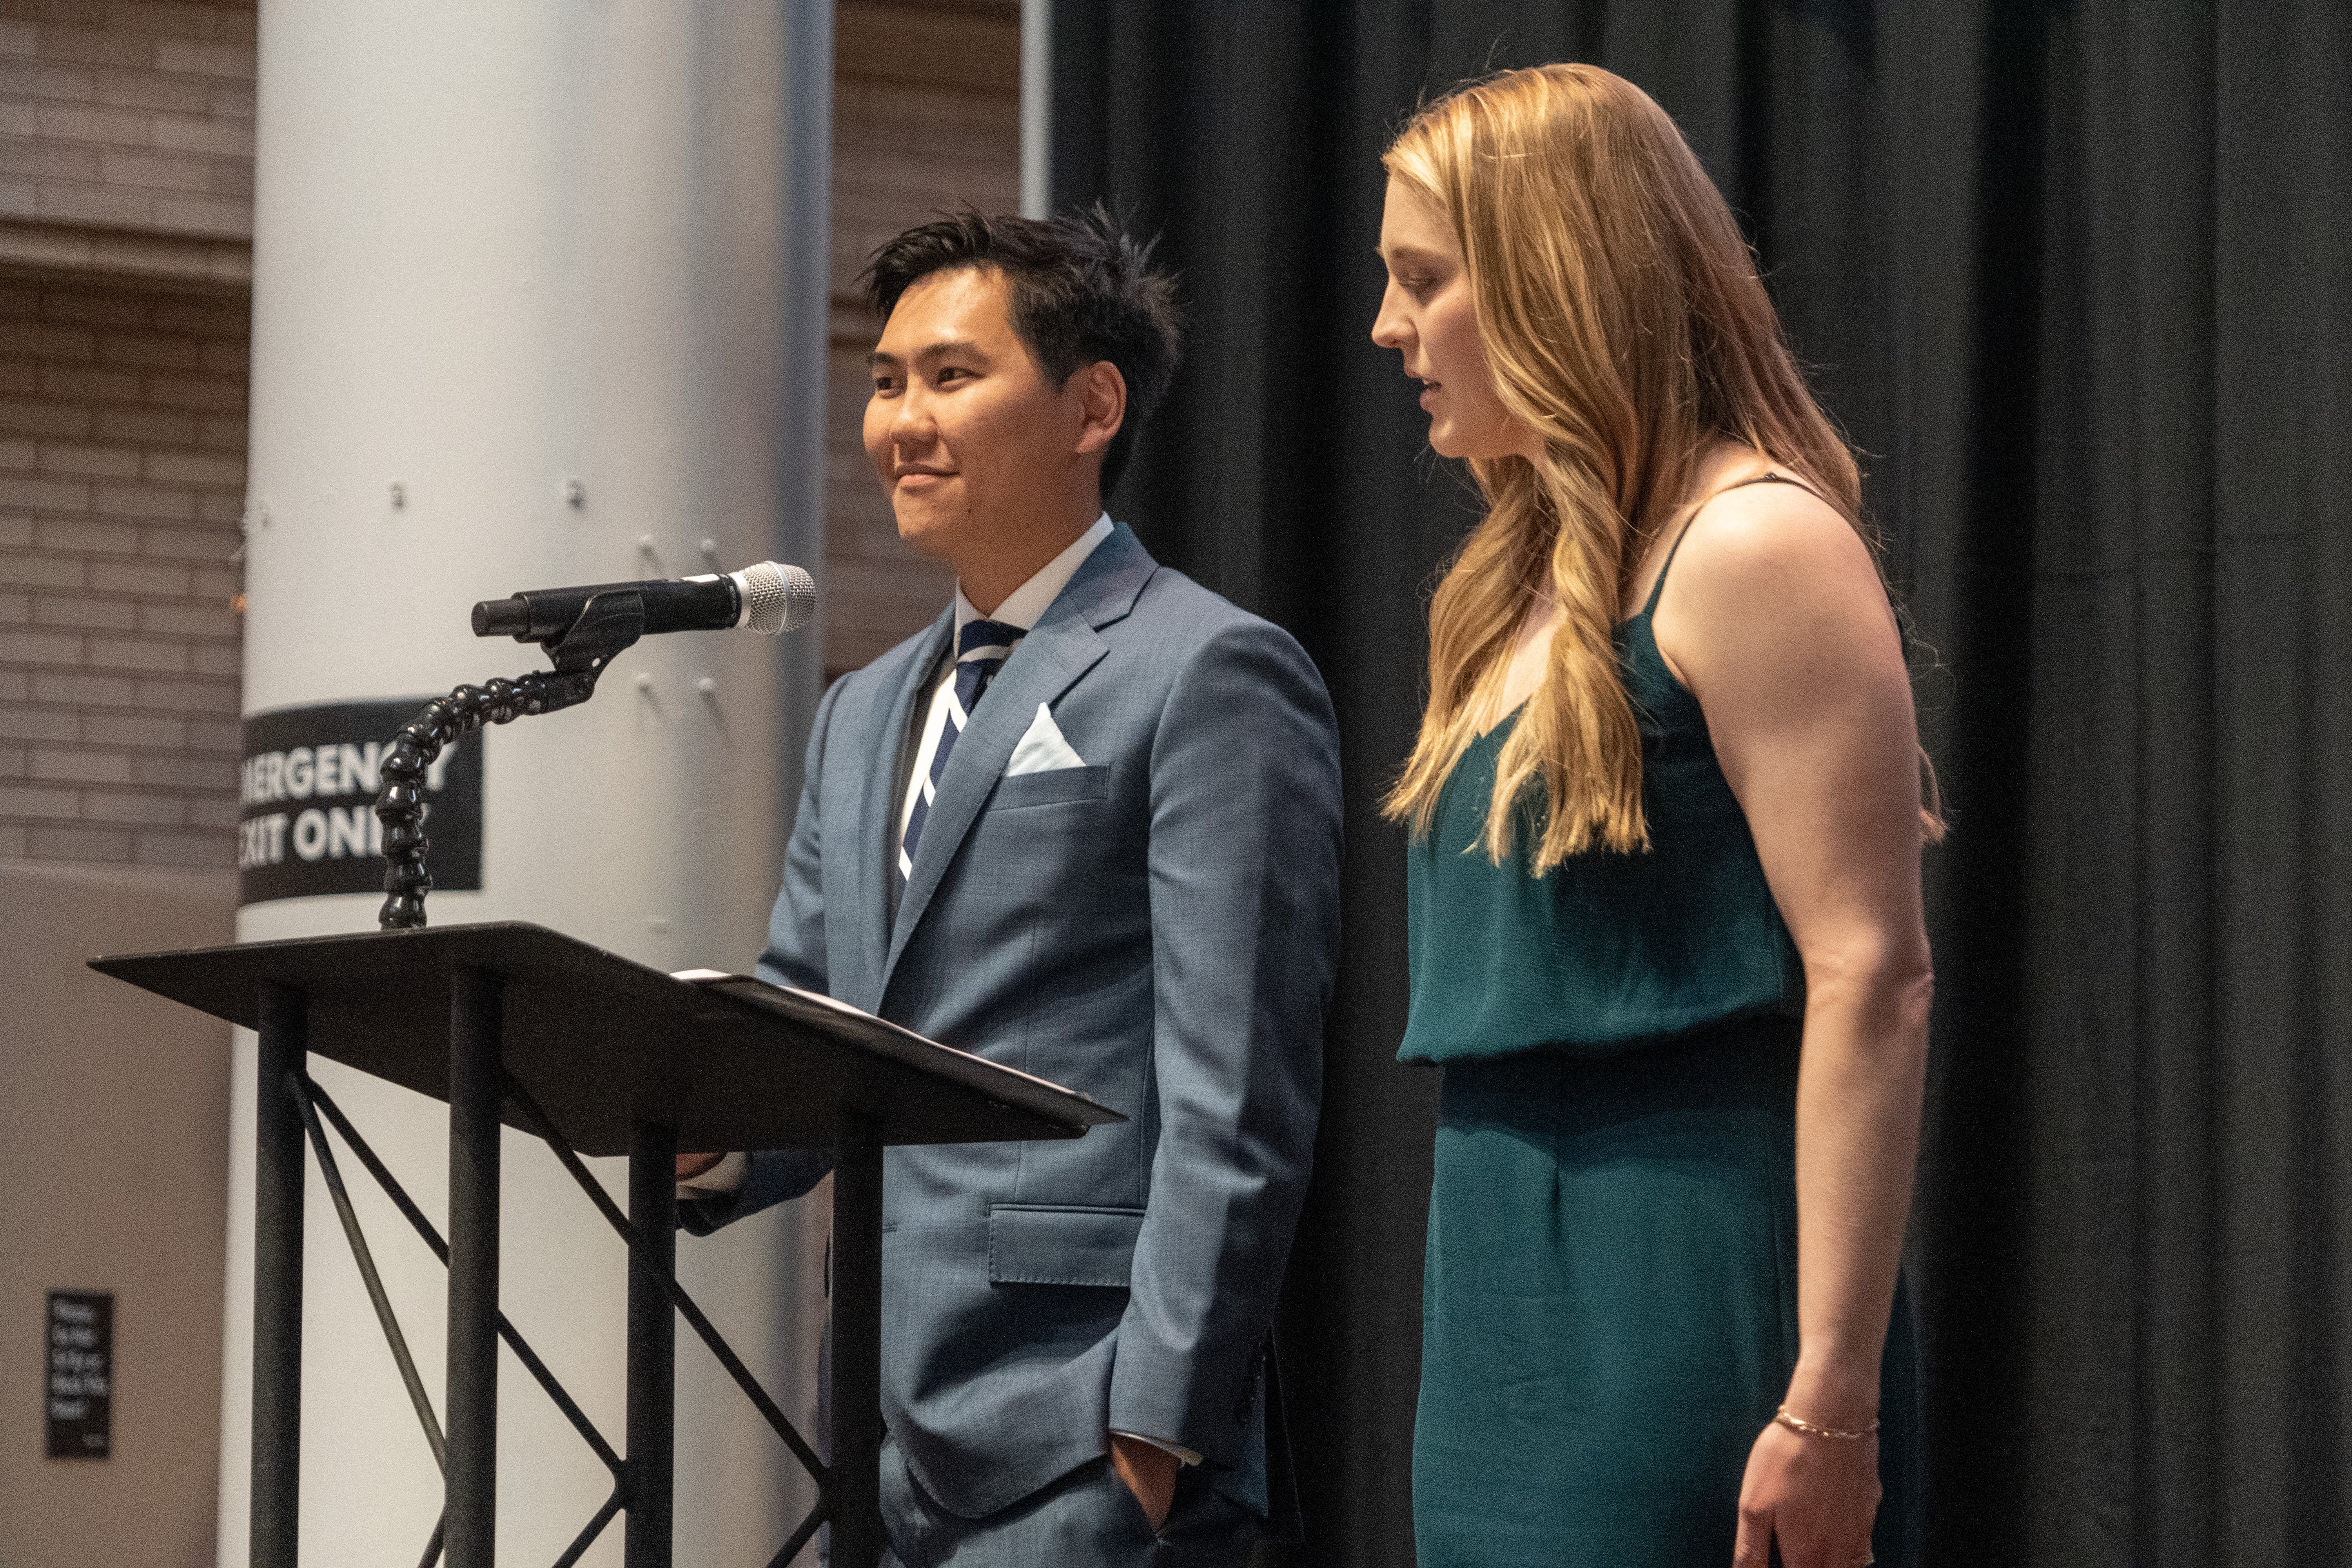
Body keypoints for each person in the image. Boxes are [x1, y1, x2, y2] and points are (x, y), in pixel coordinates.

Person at [674, 209, 1341, 1567]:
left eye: (950, 376)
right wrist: (706, 1133)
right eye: (884, 380)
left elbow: (1238, 1091)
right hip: (868, 1435)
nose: (901, 420)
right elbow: (818, 1015)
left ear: (1094, 405)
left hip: (1086, 1430)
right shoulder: (861, 711)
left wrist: (1157, 1428)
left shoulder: (1207, 669)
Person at [1370, 64, 1933, 1568]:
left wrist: (1831, 1398)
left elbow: (1871, 975)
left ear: (1556, 277)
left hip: (1686, 1294)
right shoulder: (1513, 592)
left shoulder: (1754, 547)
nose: (1387, 328)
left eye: (1422, 280)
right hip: (1497, 1306)